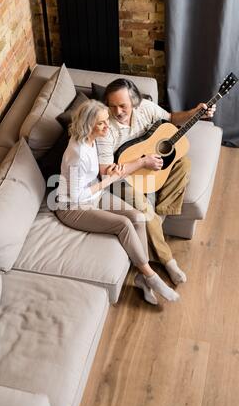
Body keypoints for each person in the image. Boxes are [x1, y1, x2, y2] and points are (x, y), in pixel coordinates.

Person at [55, 99, 180, 305]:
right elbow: (77, 196)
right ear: (88, 125)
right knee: (123, 225)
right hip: (72, 207)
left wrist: (111, 172)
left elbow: (100, 172)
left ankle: (142, 278)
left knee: (138, 217)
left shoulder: (91, 140)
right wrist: (108, 181)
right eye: (102, 123)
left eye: (106, 121)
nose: (107, 126)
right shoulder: (77, 154)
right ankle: (151, 277)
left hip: (94, 195)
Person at [96, 78, 216, 285]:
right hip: (120, 176)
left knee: (184, 164)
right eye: (112, 106)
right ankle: (168, 261)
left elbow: (172, 118)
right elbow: (107, 173)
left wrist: (195, 112)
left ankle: (157, 218)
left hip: (147, 165)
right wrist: (142, 161)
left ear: (134, 102)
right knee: (143, 209)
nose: (118, 111)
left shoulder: (146, 108)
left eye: (123, 105)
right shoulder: (105, 127)